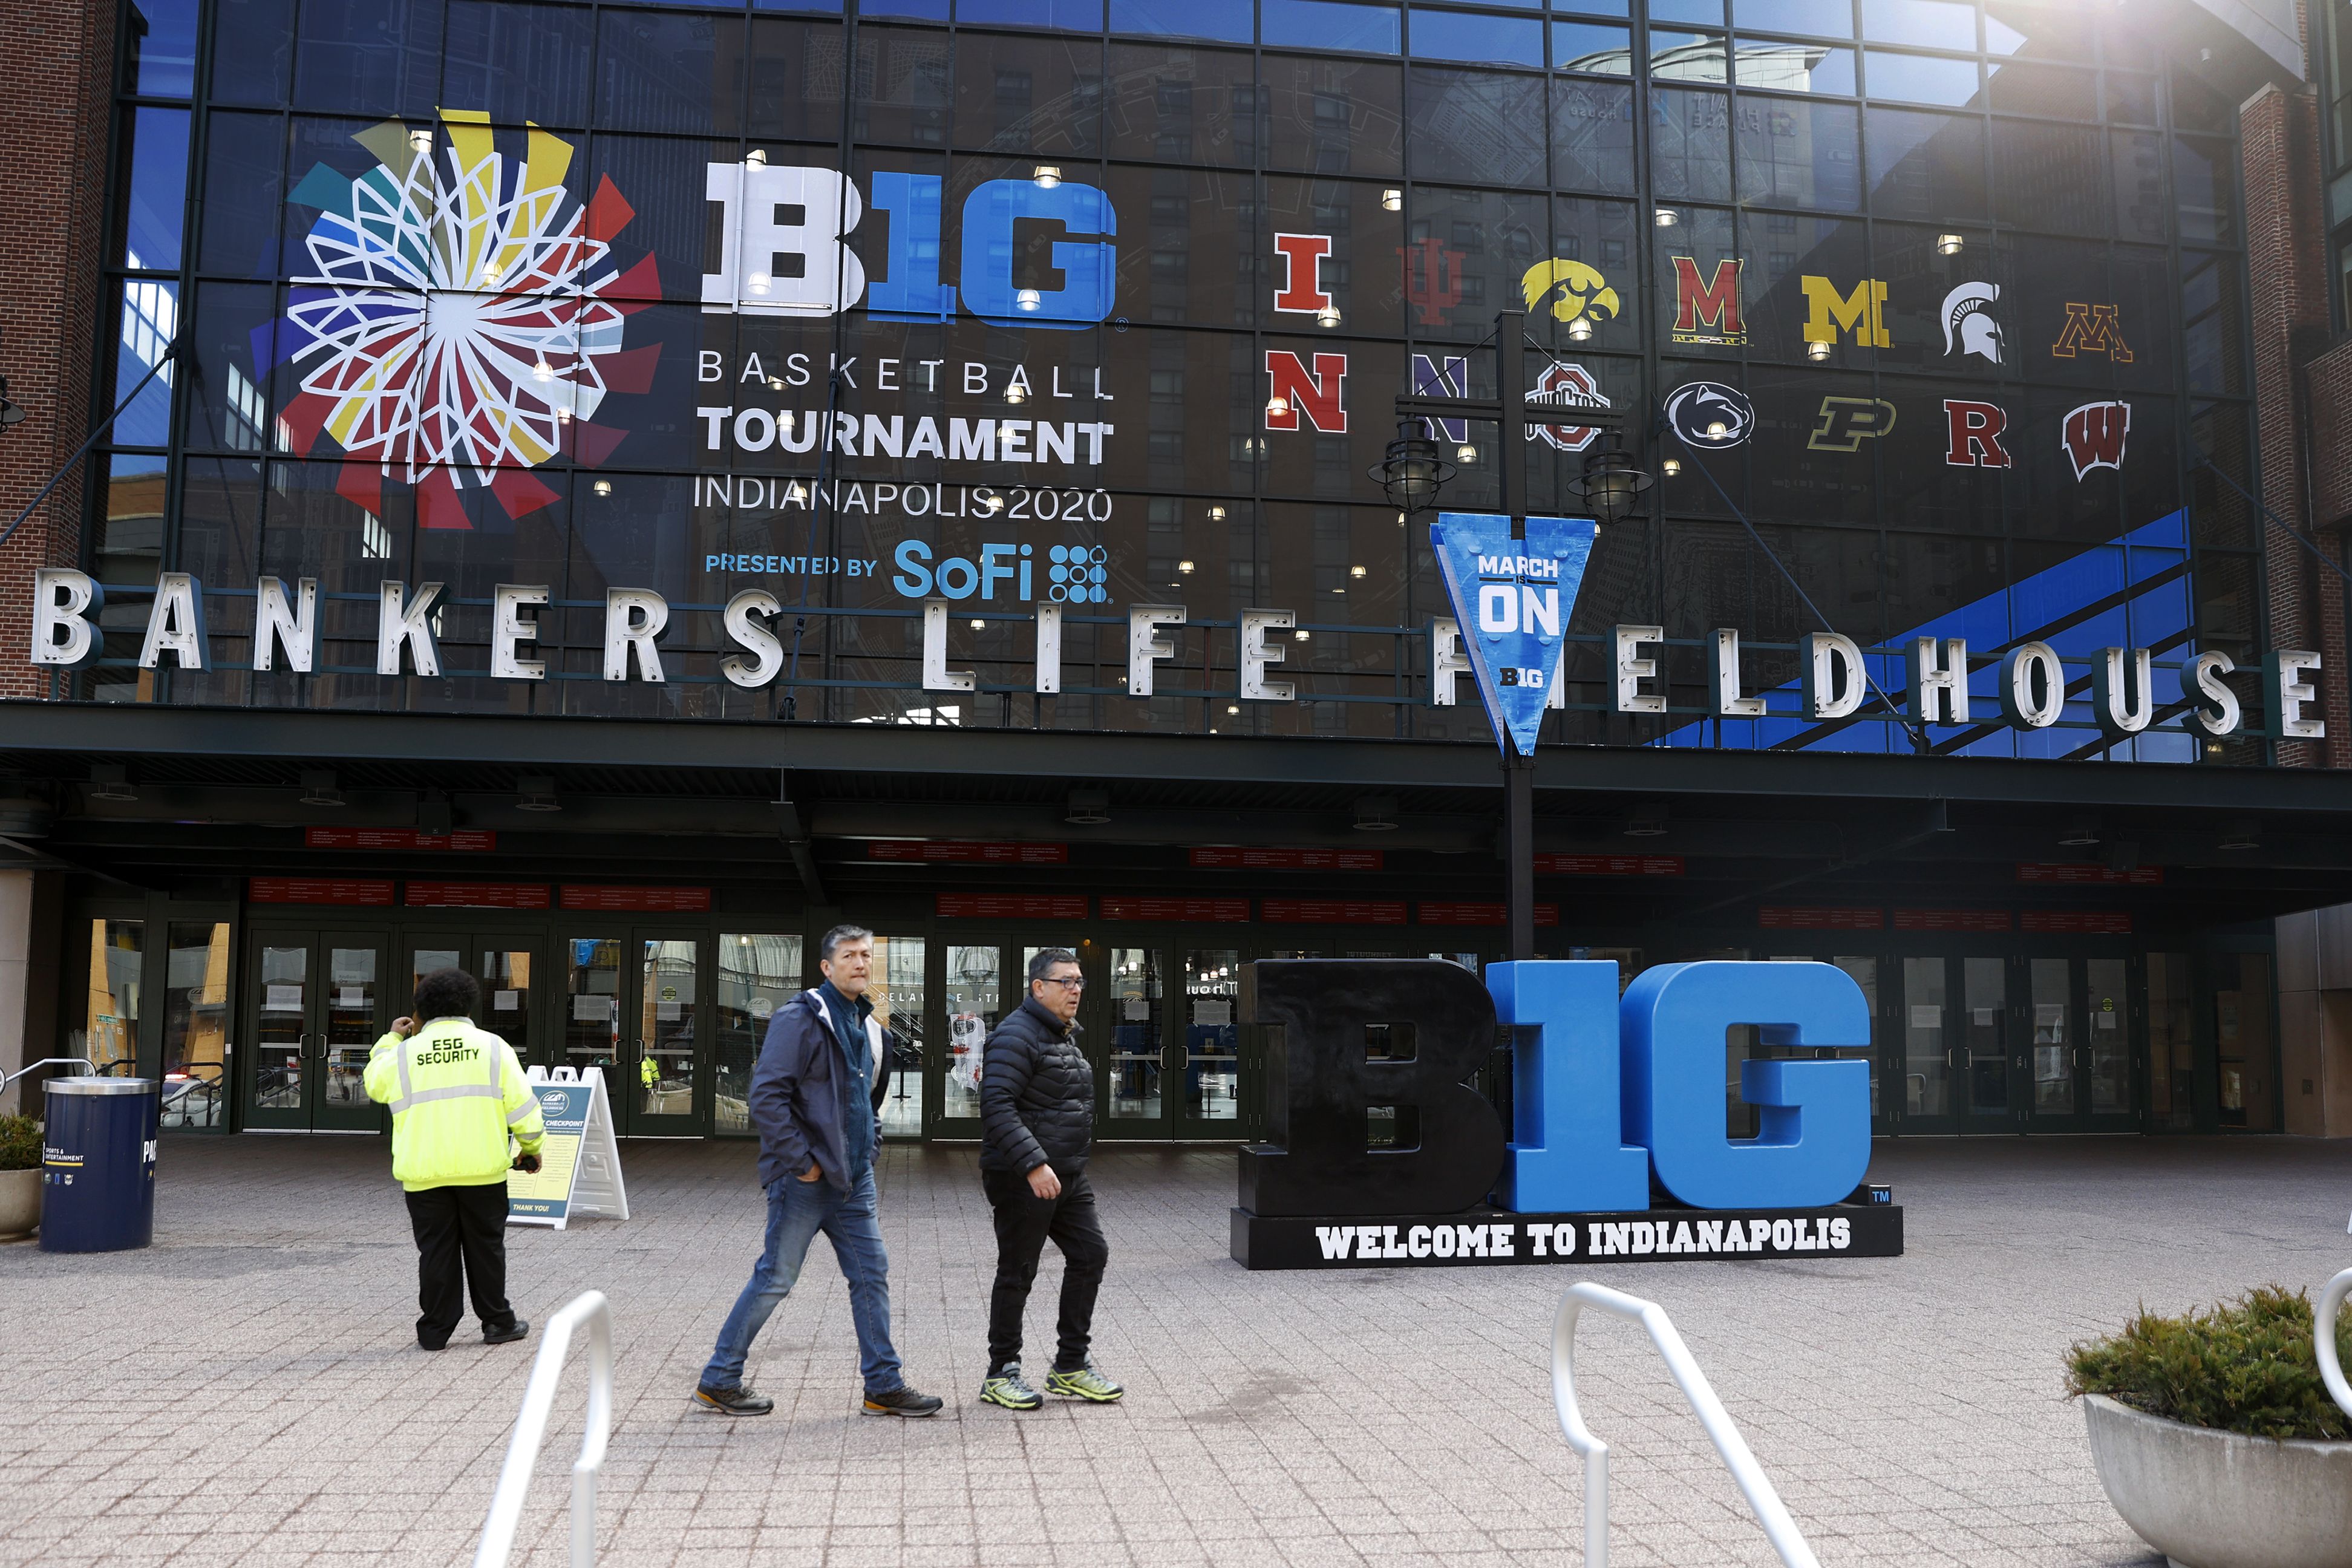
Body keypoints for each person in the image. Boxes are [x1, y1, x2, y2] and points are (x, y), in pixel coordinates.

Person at [693, 924, 942, 1418]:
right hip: (805, 1181)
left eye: (867, 955)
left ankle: (883, 1385)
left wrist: (870, 1146)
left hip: (853, 1181)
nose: (861, 963)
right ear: (827, 967)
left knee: (872, 1276)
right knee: (776, 1279)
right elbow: (766, 1097)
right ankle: (720, 1379)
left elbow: (868, 1098)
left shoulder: (872, 1027)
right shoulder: (800, 1018)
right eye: (849, 956)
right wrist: (801, 1163)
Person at [364, 967, 544, 1351]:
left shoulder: (404, 1053)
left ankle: (435, 1331)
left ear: (420, 1011)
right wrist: (530, 1150)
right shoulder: (494, 1047)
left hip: (424, 1172)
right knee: (486, 1248)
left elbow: (374, 1082)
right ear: (470, 1003)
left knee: (436, 1251)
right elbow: (525, 1110)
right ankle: (498, 1322)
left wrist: (392, 1037)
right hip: (483, 1171)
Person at [976, 947, 1121, 1409]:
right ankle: (1001, 1373)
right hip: (1024, 1176)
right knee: (1018, 1271)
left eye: (1079, 981)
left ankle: (1071, 1367)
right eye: (1066, 981)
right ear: (1038, 987)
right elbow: (997, 1106)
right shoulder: (1015, 1036)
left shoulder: (1062, 1036)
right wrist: (1034, 1164)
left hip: (1066, 1175)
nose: (1076, 989)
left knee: (1090, 1255)